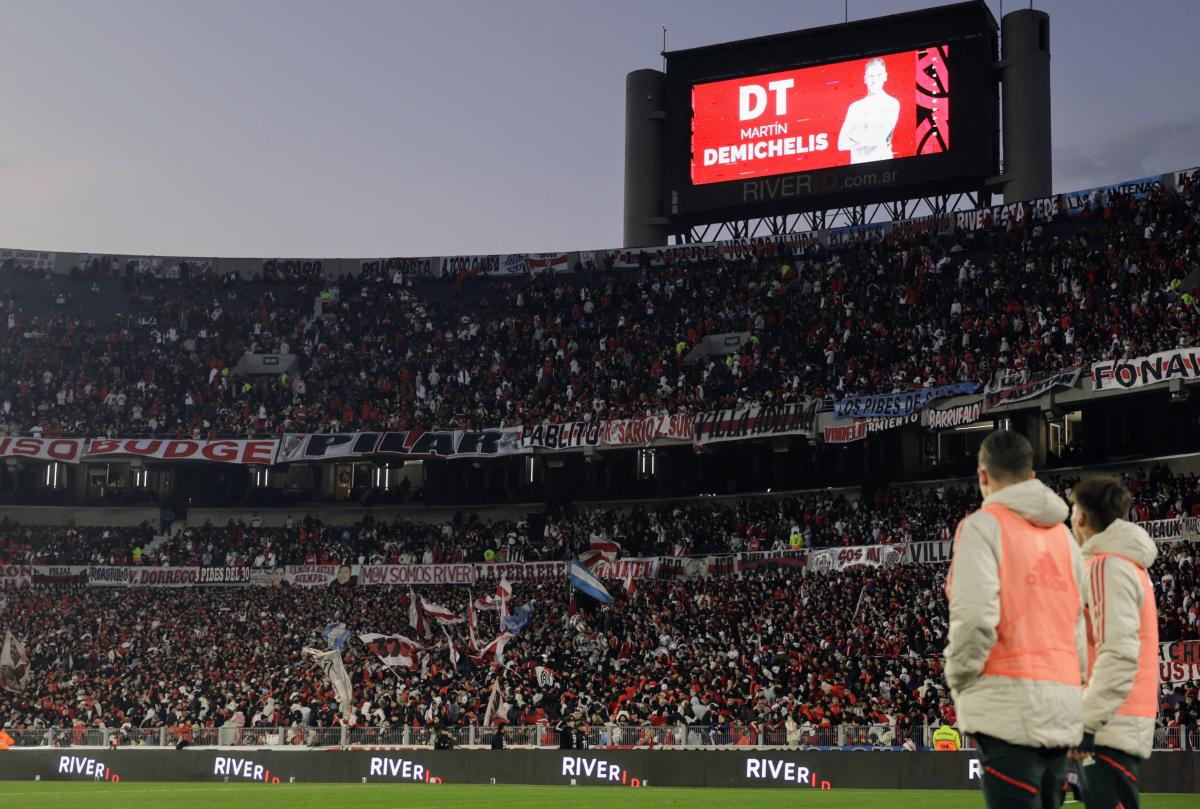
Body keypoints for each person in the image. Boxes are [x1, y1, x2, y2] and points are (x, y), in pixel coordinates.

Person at [944, 429, 1086, 809]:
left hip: (1008, 704)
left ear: (983, 476)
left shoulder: (983, 526)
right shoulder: (1066, 539)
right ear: (1032, 476)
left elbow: (975, 618)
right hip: (1062, 706)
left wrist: (959, 678)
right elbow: (1079, 627)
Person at [1067, 477, 1159, 809]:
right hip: (1116, 715)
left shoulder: (1106, 566)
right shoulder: (1127, 565)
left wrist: (1087, 723)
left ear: (1080, 517)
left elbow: (1118, 653)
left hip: (1109, 720)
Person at [837, 58, 901, 164]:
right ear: (865, 79)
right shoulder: (855, 107)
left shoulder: (891, 103)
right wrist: (868, 136)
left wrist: (854, 134)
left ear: (885, 76)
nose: (874, 80)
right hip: (856, 172)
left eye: (878, 75)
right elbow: (841, 143)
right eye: (871, 76)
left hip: (884, 168)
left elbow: (875, 139)